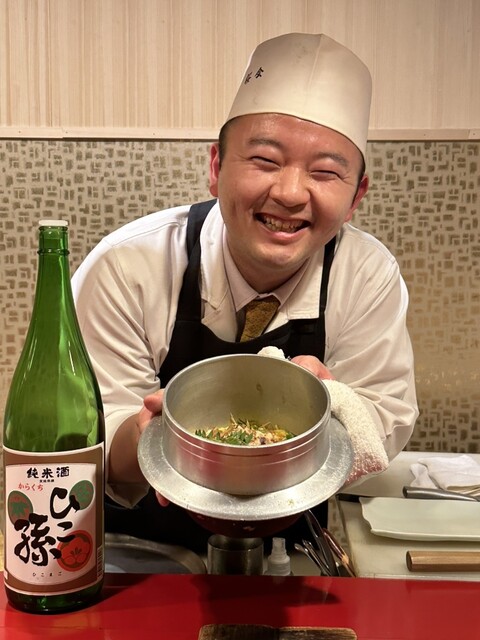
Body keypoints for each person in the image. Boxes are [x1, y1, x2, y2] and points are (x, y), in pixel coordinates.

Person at [72, 33, 418, 551]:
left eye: (325, 173)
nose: (290, 193)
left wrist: (333, 406)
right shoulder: (128, 266)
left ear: (355, 198)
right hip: (140, 556)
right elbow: (86, 436)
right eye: (265, 160)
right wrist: (149, 437)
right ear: (216, 167)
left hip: (293, 554)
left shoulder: (366, 274)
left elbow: (382, 418)